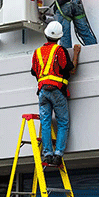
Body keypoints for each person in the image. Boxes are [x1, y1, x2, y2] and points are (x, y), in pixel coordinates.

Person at [31, 21, 81, 166]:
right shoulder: (60, 51)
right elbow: (71, 70)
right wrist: (76, 53)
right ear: (60, 36)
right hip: (57, 91)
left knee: (45, 122)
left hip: (42, 92)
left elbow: (34, 71)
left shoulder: (37, 52)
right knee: (63, 122)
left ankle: (47, 154)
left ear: (46, 34)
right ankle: (58, 154)